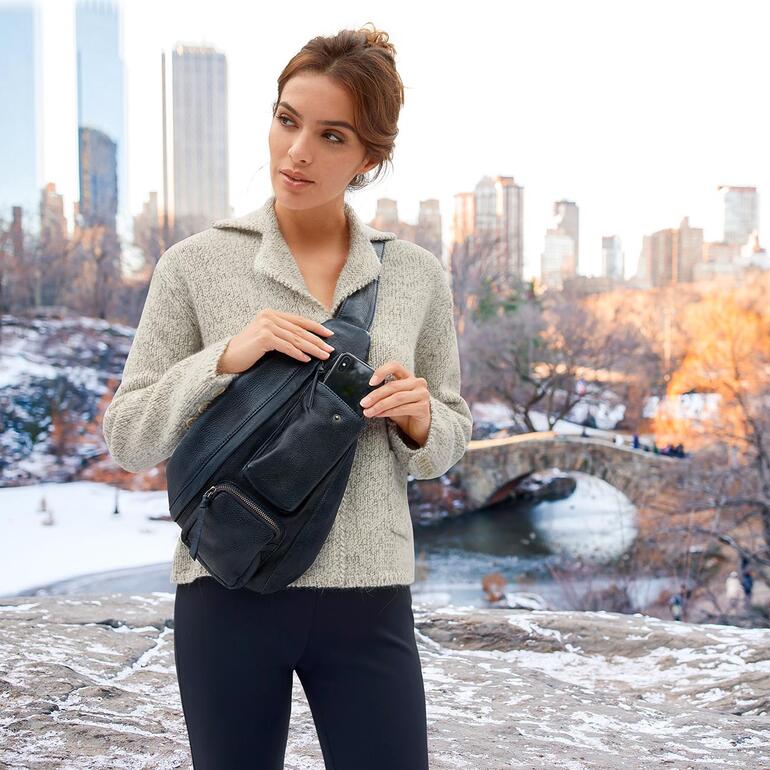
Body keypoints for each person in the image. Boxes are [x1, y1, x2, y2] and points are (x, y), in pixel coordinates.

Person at [102, 24, 473, 770]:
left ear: (369, 158)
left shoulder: (415, 275)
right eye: (287, 119)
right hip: (227, 585)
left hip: (370, 598)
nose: (298, 151)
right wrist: (226, 358)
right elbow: (127, 434)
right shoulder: (194, 265)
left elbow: (449, 438)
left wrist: (421, 420)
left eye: (332, 135)